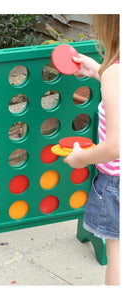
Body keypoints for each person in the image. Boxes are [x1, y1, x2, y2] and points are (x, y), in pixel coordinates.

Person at [64, 14, 120, 285]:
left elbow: (115, 147)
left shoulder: (117, 74)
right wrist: (98, 71)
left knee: (120, 258)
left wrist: (80, 158)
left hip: (117, 184)